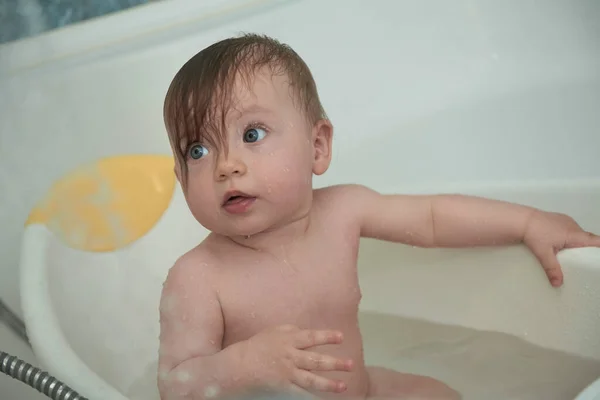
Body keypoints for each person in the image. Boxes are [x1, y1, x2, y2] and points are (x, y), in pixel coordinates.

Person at [156, 33, 600, 400]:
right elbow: (174, 386)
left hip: (362, 391)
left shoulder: (342, 212)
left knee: (438, 396)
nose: (226, 164)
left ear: (317, 147)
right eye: (198, 149)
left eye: (252, 134)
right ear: (180, 178)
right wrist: (244, 365)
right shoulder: (198, 277)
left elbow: (430, 219)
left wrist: (527, 224)